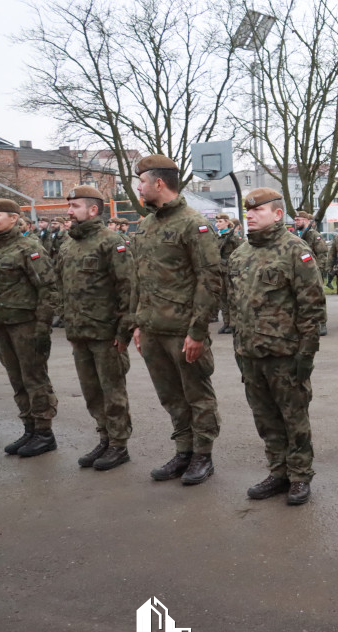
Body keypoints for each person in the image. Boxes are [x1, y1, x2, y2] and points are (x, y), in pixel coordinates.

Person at [229, 188, 326, 505]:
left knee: (293, 417)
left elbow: (312, 307)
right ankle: (277, 471)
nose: (251, 215)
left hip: (285, 355)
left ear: (277, 214)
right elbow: (235, 306)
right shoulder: (240, 254)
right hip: (250, 353)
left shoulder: (296, 251)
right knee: (265, 417)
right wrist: (238, 350)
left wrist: (306, 355)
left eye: (258, 210)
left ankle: (299, 476)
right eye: (248, 211)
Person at [131, 154, 222, 486]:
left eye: (141, 182)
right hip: (153, 330)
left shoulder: (192, 223)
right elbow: (136, 280)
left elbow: (210, 279)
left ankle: (203, 454)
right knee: (170, 395)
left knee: (197, 394)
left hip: (183, 330)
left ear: (158, 183)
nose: (138, 188)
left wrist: (197, 331)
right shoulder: (145, 225)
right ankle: (183, 450)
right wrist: (137, 324)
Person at [59, 186, 134, 470]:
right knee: (91, 391)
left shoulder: (110, 241)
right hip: (79, 333)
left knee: (112, 392)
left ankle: (118, 445)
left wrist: (122, 332)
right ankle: (104, 437)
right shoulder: (68, 245)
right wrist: (67, 320)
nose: (69, 211)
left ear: (93, 210)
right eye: (69, 206)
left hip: (106, 334)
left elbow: (127, 289)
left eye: (75, 206)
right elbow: (59, 286)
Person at [0, 198, 59, 456]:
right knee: (16, 378)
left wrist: (43, 326)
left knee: (34, 378)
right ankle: (29, 428)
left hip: (26, 325)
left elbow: (48, 288)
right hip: (1, 324)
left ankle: (44, 432)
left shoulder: (28, 247)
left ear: (13, 218)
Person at [216, 213, 243, 335]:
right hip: (220, 271)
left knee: (231, 297)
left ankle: (233, 324)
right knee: (222, 298)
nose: (218, 224)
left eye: (220, 221)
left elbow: (241, 253)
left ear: (227, 222)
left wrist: (229, 262)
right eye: (217, 222)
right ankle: (226, 323)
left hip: (230, 271)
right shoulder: (218, 237)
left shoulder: (233, 237)